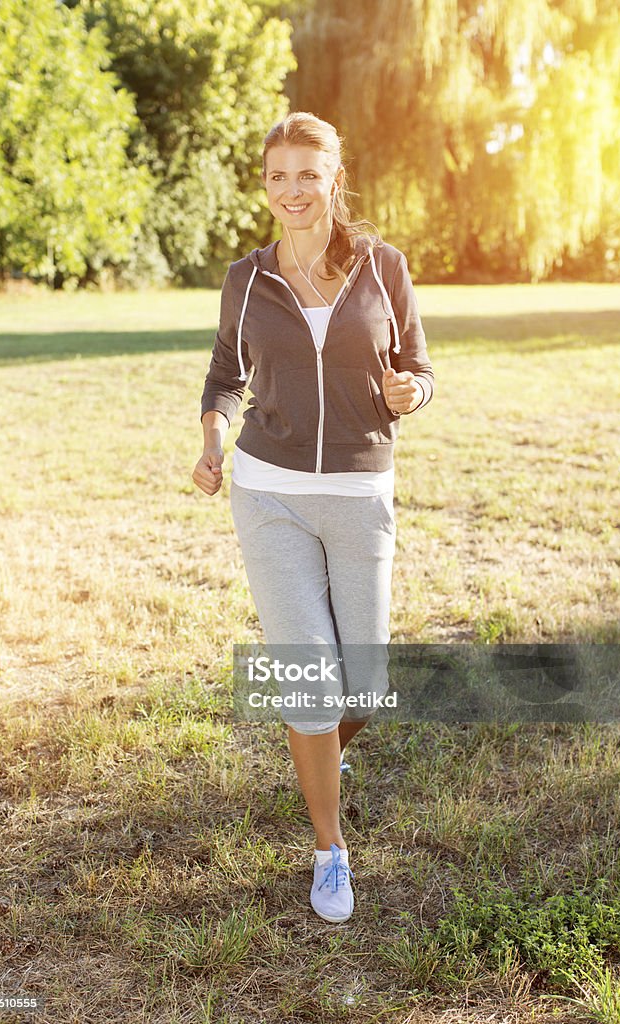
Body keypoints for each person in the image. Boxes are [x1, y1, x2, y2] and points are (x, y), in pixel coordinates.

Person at [193, 111, 434, 924]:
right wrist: (212, 440)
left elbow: (419, 370)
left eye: (307, 174)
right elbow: (226, 375)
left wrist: (412, 392)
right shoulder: (247, 277)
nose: (291, 191)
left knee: (360, 687)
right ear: (265, 185)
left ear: (335, 178)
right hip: (269, 491)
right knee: (308, 682)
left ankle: (318, 748)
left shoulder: (383, 266)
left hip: (362, 493)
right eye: (276, 176)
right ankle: (329, 849)